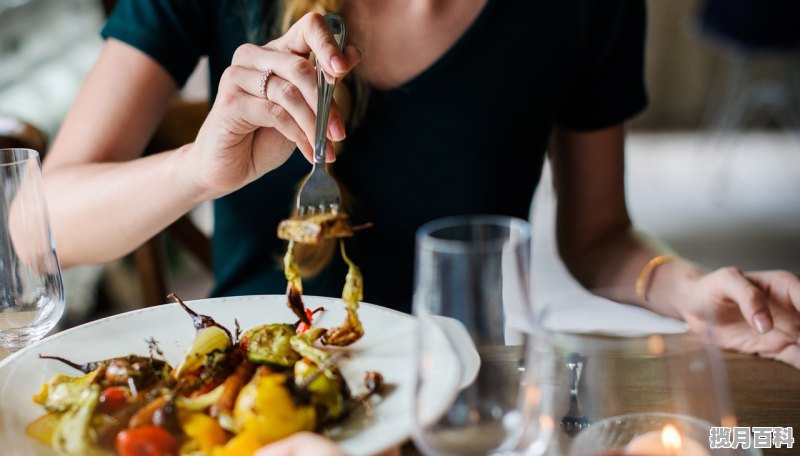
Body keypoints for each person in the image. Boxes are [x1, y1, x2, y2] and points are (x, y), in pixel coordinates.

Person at [44, 0, 799, 377]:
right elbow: (35, 224)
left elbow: (599, 237)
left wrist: (685, 288)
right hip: (256, 394)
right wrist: (200, 168)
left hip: (465, 396)